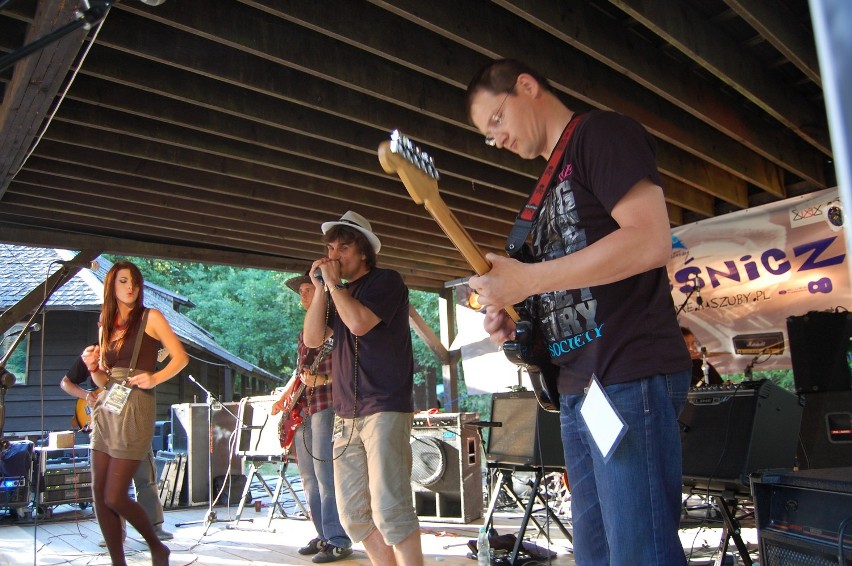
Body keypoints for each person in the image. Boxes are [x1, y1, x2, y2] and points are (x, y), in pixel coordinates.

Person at [466, 59, 692, 565]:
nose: (496, 139)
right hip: (577, 389)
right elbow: (562, 289)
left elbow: (650, 240)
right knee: (597, 557)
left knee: (640, 554)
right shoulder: (540, 195)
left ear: (527, 86)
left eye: (497, 119)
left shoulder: (601, 134)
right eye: (487, 135)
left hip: (628, 375)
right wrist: (517, 323)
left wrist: (527, 279)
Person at [303, 211, 423, 566]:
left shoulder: (387, 281)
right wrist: (323, 287)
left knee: (391, 509)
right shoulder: (336, 292)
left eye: (343, 247)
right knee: (353, 515)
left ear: (365, 252)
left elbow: (358, 324)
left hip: (384, 405)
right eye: (330, 247)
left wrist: (335, 286)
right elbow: (312, 338)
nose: (334, 254)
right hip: (346, 412)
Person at [81, 261, 188, 566]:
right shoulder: (105, 323)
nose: (131, 287)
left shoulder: (150, 317)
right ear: (111, 285)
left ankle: (156, 546)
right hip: (107, 406)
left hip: (136, 407)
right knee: (99, 492)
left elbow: (180, 357)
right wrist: (92, 367)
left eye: (135, 282)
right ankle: (118, 562)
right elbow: (103, 380)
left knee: (115, 495)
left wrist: (154, 377)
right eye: (124, 281)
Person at [271, 271, 353, 563]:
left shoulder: (341, 330)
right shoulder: (305, 333)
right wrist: (285, 395)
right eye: (304, 291)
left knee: (325, 475)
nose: (304, 296)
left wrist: (325, 379)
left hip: (327, 407)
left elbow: (350, 372)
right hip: (303, 408)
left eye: (309, 290)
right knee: (308, 477)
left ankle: (338, 538)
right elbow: (301, 372)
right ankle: (322, 534)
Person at [60, 349, 174, 545]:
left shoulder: (139, 347)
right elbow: (66, 382)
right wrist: (86, 395)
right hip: (106, 421)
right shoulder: (93, 350)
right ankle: (114, 532)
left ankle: (153, 527)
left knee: (144, 475)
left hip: (133, 417)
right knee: (107, 482)